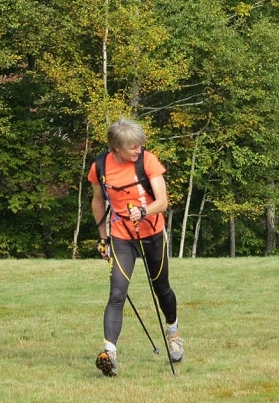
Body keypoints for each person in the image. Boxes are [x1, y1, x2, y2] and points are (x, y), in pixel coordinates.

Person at [88, 118, 184, 376]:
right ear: (115, 148)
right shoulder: (100, 167)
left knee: (161, 287)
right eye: (132, 147)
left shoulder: (147, 161)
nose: (138, 150)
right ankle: (109, 354)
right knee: (117, 293)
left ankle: (173, 332)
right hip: (121, 236)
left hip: (152, 232)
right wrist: (103, 237)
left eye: (140, 145)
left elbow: (162, 201)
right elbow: (98, 202)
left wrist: (144, 210)